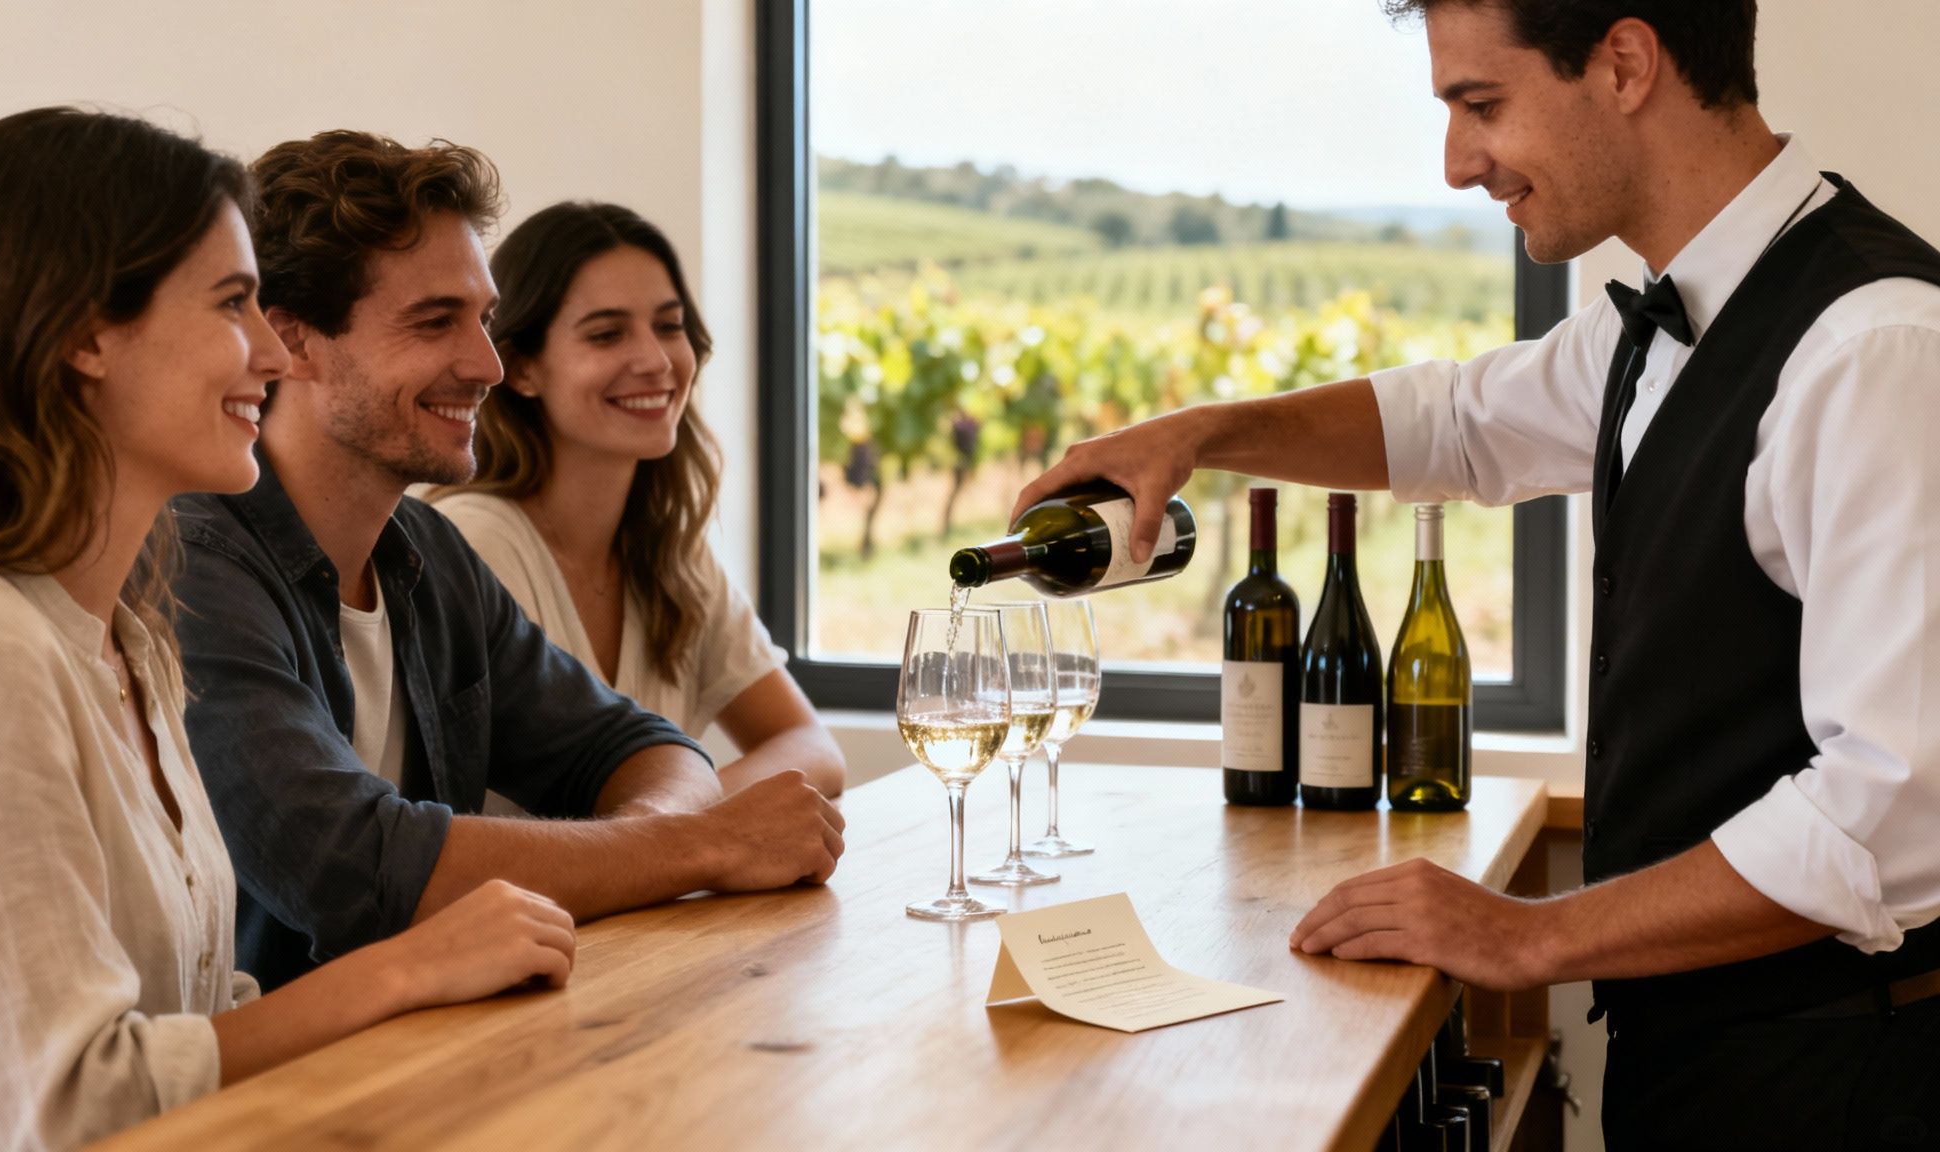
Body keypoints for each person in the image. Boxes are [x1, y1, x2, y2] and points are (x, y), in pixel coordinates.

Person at [1011, 2, 1940, 1146]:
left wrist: (1529, 936)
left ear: (1624, 62)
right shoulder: (1665, 319)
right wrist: (1197, 434)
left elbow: (1890, 814)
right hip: (1702, 1065)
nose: (1458, 164)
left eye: (1480, 104)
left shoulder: (1874, 348)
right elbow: (1450, 423)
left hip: (1843, 1085)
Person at [0, 108, 577, 1152]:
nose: (271, 347)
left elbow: (196, 1023)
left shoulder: (129, 634)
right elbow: (64, 1108)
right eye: (231, 304)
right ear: (83, 333)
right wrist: (409, 965)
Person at [170, 131, 846, 991]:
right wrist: (696, 844)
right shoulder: (195, 565)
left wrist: (664, 840)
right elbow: (347, 863)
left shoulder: (427, 554)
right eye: (434, 322)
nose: (488, 364)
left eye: (483, 319)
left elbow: (638, 745)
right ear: (294, 343)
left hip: (430, 1055)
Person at [427, 202, 844, 797]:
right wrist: (696, 831)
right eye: (607, 334)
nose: (655, 360)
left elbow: (813, 748)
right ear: (521, 369)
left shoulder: (671, 551)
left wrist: (687, 825)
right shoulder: (475, 540)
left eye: (669, 326)